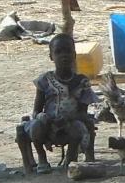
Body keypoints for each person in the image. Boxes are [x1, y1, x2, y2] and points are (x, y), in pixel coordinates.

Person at [15, 32, 98, 171]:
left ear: (74, 55)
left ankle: (71, 158)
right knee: (36, 126)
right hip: (48, 124)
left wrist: (69, 118)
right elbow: (36, 111)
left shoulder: (81, 81)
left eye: (68, 51)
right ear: (51, 56)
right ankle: (42, 159)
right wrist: (43, 117)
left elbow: (83, 112)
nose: (64, 56)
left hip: (70, 123)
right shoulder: (44, 81)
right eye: (58, 52)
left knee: (78, 128)